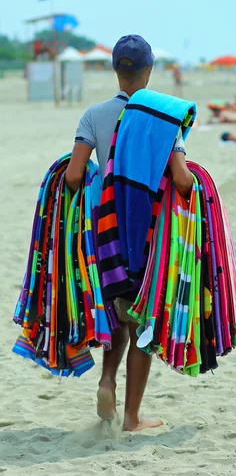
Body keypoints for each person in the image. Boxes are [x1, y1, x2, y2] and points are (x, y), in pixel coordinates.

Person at [65, 35, 193, 431]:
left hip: (103, 229)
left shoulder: (93, 114)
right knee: (141, 325)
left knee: (116, 315)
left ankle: (106, 381)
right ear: (150, 70)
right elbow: (182, 180)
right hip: (144, 231)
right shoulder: (162, 117)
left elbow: (72, 177)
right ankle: (132, 417)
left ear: (115, 70)